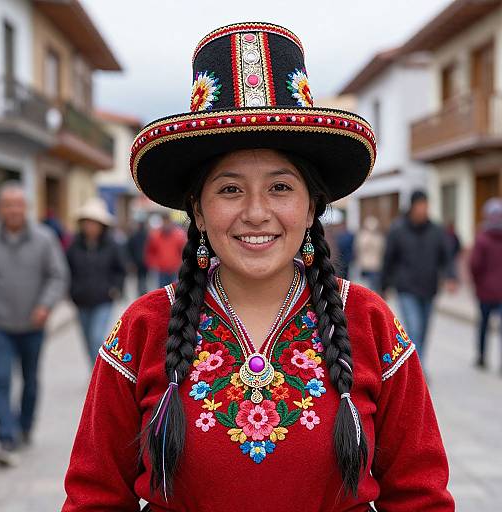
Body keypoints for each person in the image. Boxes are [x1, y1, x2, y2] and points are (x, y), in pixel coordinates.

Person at [63, 23, 454, 511]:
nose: (255, 212)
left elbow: (421, 495)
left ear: (313, 207)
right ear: (198, 211)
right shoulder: (144, 328)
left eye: (281, 187)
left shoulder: (369, 322)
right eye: (229, 189)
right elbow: (93, 497)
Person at [0, 181, 68, 466]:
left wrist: (45, 305)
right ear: (0, 209)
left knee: (30, 379)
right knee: (1, 379)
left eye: (18, 205)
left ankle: (24, 426)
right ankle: (6, 437)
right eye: (8, 205)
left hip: (33, 324)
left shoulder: (44, 238)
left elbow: (57, 275)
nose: (13, 210)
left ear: (26, 208)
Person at [381, 190, 457, 366]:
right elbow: (388, 259)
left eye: (426, 206)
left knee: (423, 330)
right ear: (413, 207)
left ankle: (418, 362)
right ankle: (418, 370)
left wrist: (451, 277)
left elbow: (446, 257)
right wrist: (384, 285)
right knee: (414, 328)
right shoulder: (398, 229)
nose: (423, 210)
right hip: (406, 288)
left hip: (429, 288)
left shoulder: (436, 230)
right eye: (420, 206)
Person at [66, 197, 127, 364]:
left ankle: (100, 372)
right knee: (86, 339)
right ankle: (95, 372)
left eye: (94, 222)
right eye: (87, 222)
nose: (90, 226)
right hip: (81, 300)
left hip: (103, 299)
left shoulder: (112, 245)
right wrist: (71, 290)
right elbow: (67, 270)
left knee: (96, 337)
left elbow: (121, 269)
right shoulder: (74, 246)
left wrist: (115, 288)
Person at [469, 197, 502, 371]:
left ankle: (482, 357)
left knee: (484, 325)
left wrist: (477, 283)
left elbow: (474, 265)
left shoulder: (482, 238)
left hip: (485, 291)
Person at [145, 210, 187, 288]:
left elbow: (184, 252)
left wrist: (181, 265)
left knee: (175, 292)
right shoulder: (155, 236)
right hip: (162, 271)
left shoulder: (179, 235)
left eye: (167, 221)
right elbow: (150, 252)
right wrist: (154, 263)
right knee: (162, 293)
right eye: (164, 221)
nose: (166, 224)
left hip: (175, 270)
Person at [355, 216, 384, 293]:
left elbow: (381, 249)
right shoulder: (363, 236)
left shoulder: (378, 237)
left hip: (375, 265)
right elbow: (359, 249)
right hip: (365, 264)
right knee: (366, 283)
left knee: (373, 284)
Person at [127, 217, 150, 297]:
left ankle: (142, 293)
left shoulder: (136, 236)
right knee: (142, 278)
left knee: (142, 278)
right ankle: (143, 293)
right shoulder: (146, 236)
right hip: (141, 261)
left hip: (142, 261)